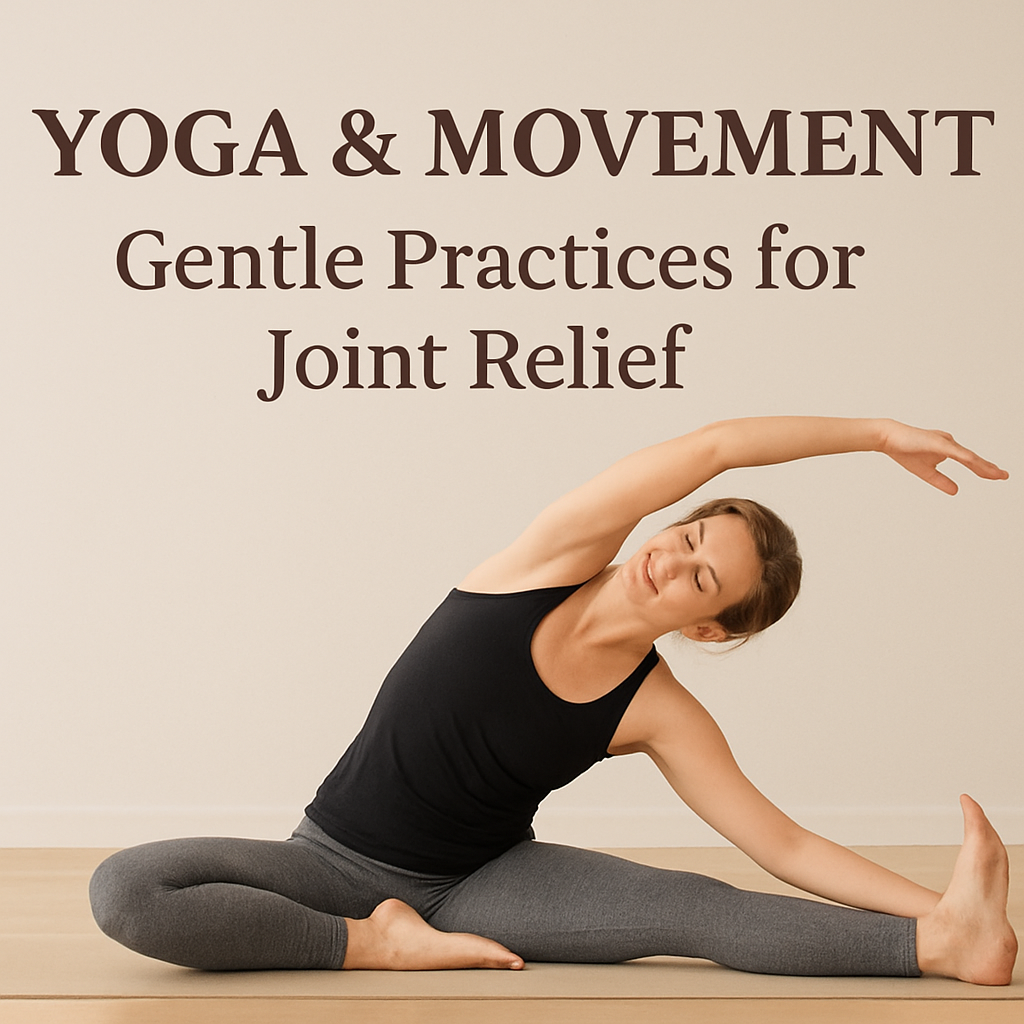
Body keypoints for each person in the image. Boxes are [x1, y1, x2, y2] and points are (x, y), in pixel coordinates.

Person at [89, 417, 1018, 985]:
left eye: (701, 580)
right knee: (127, 890)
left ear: (707, 628)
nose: (672, 559)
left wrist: (939, 910)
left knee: (694, 908)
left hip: (483, 882)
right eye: (691, 536)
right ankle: (372, 946)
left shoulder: (657, 710)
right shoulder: (546, 561)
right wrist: (877, 435)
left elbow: (784, 846)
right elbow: (714, 448)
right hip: (330, 862)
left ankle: (943, 947)